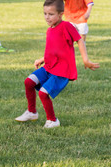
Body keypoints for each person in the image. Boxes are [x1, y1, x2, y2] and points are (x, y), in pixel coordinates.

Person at [15, 0, 99, 128]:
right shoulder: (50, 30)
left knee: (43, 93)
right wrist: (42, 59)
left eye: (51, 14)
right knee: (29, 82)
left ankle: (52, 120)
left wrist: (85, 60)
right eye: (45, 14)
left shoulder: (66, 26)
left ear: (60, 14)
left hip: (61, 71)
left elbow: (80, 41)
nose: (47, 17)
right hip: (48, 67)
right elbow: (55, 49)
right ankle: (32, 112)